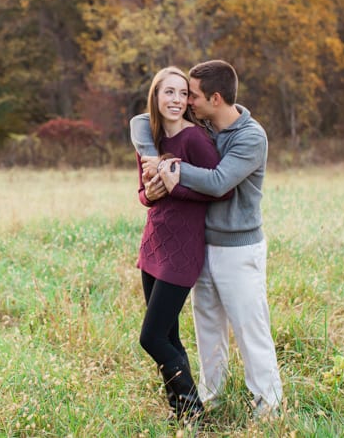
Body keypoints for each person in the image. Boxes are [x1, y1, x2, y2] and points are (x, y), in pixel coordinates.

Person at [130, 59, 284, 420]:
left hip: (238, 247)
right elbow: (142, 121)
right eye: (180, 93)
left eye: (192, 95)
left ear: (215, 98)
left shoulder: (250, 137)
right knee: (208, 329)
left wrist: (171, 169)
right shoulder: (208, 125)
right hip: (204, 244)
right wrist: (152, 162)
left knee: (251, 328)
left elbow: (217, 183)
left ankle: (269, 409)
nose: (187, 102)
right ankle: (211, 399)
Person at [135, 66, 232, 423]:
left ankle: (196, 414)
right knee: (169, 336)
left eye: (181, 93)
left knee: (152, 337)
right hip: (153, 246)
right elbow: (143, 195)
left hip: (183, 251)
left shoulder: (194, 140)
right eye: (168, 93)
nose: (176, 100)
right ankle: (184, 416)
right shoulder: (151, 140)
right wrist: (152, 191)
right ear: (156, 98)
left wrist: (177, 187)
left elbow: (222, 189)